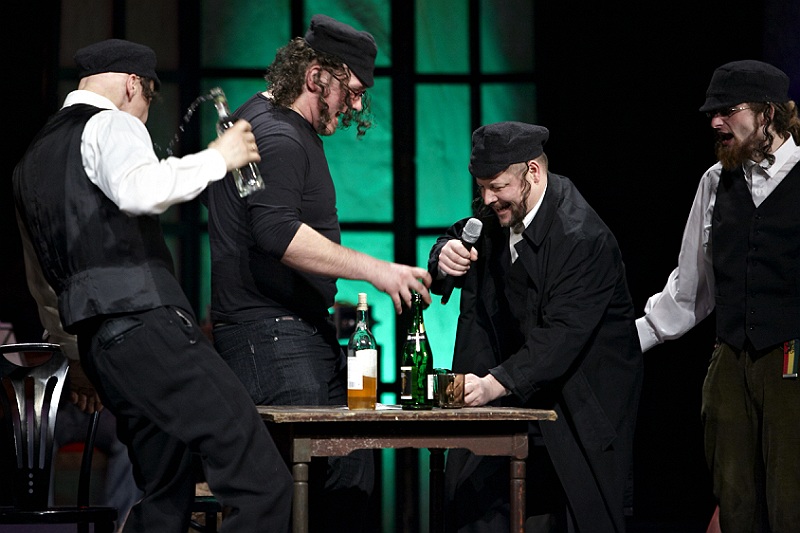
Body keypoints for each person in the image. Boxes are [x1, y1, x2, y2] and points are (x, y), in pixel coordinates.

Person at [13, 38, 292, 532]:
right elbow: (140, 190)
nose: (144, 118)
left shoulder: (30, 163)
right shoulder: (111, 122)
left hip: (102, 349)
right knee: (261, 479)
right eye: (147, 102)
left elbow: (43, 282)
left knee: (164, 495)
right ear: (132, 84)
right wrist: (218, 156)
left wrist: (77, 357)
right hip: (147, 327)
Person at [205, 14, 431, 532]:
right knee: (305, 491)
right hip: (272, 338)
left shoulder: (265, 123)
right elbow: (277, 233)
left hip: (295, 332)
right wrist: (377, 271)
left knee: (347, 476)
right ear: (315, 77)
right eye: (351, 92)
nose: (356, 107)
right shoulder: (278, 136)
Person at [427, 122, 643, 533]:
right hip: (510, 400)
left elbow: (562, 335)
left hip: (574, 407)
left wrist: (493, 384)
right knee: (476, 512)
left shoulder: (582, 237)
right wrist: (443, 255)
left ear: (533, 171)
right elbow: (459, 234)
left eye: (497, 187)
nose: (487, 200)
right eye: (482, 188)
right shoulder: (497, 215)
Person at [637, 59, 800, 533]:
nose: (715, 122)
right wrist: (630, 339)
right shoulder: (714, 181)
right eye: (712, 112)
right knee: (734, 500)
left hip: (792, 356)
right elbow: (690, 287)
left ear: (768, 113)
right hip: (731, 355)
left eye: (728, 110)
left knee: (791, 500)